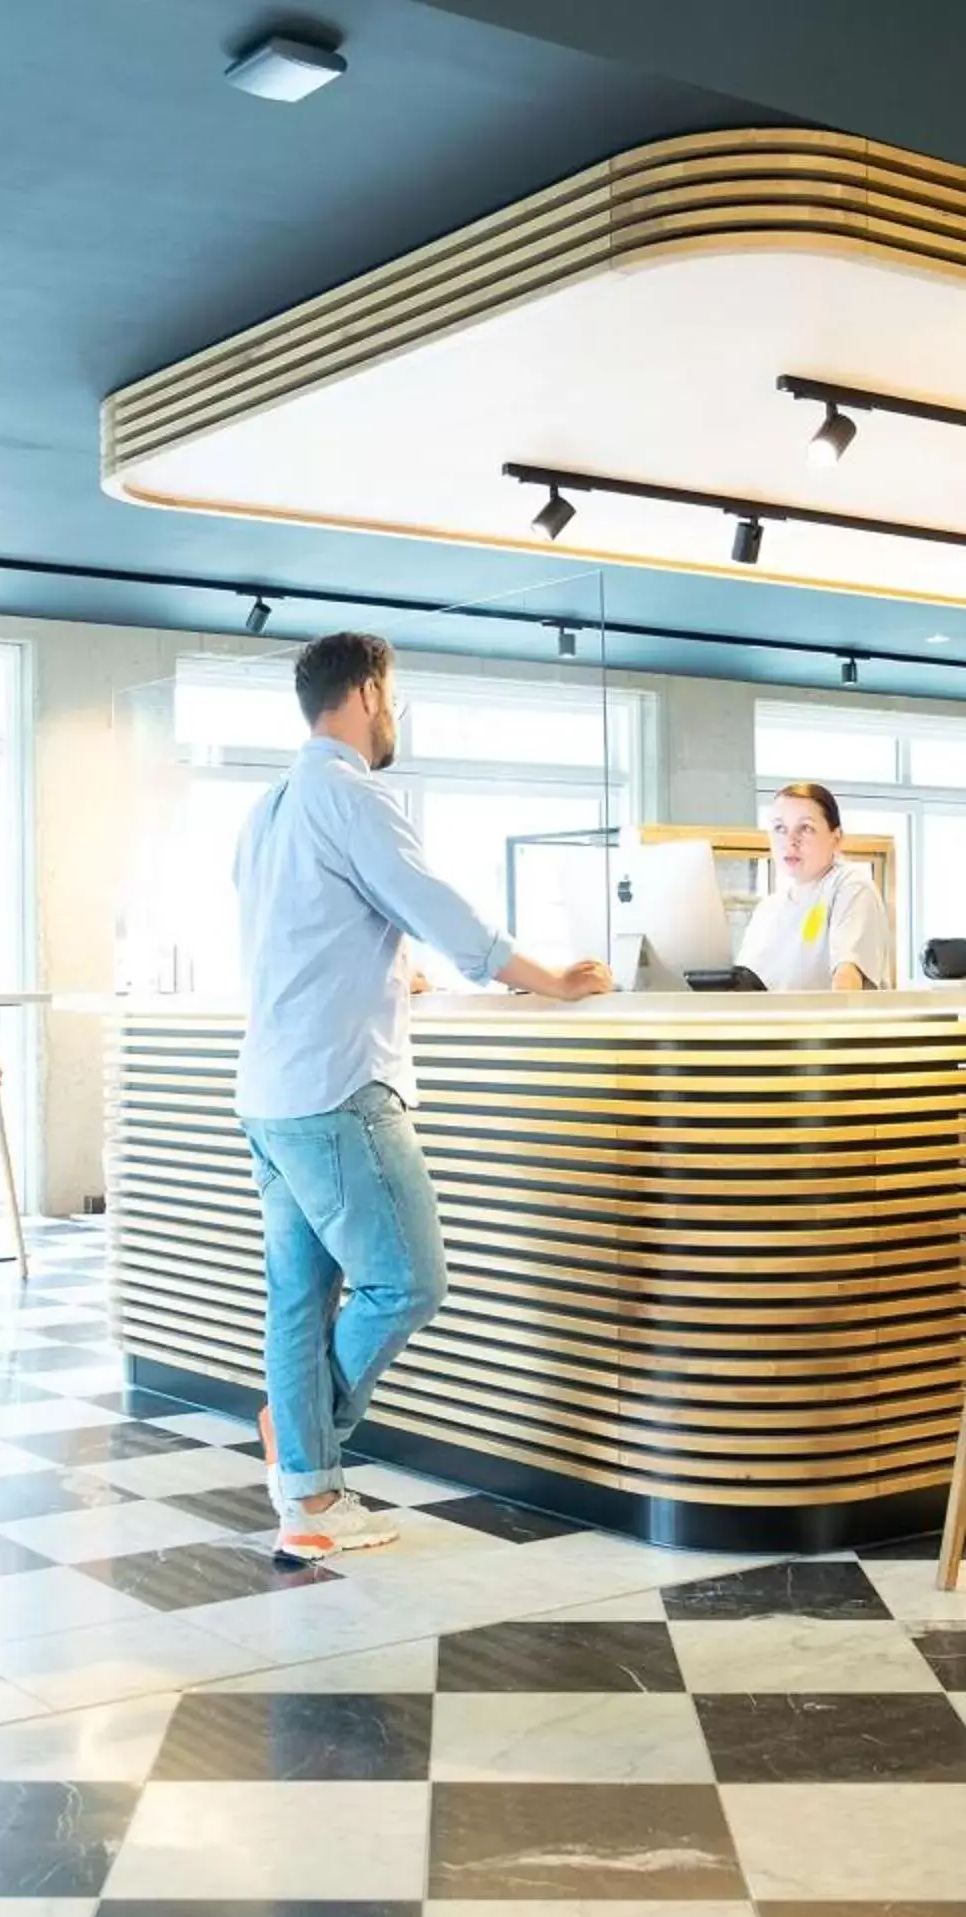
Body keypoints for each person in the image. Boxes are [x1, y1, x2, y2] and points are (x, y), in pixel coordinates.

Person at [232, 631, 613, 1559]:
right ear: (365, 693)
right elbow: (441, 910)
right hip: (339, 1086)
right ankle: (306, 1434)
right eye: (392, 695)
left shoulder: (271, 805)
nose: (393, 713)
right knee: (408, 1278)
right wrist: (550, 978)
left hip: (270, 1090)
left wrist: (395, 973)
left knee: (298, 1300)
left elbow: (313, 934)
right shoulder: (349, 794)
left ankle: (309, 1509)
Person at [735, 780, 894, 991]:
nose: (790, 840)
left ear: (836, 838)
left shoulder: (849, 886)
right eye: (780, 828)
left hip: (830, 1024)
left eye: (806, 828)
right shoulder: (768, 908)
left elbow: (847, 982)